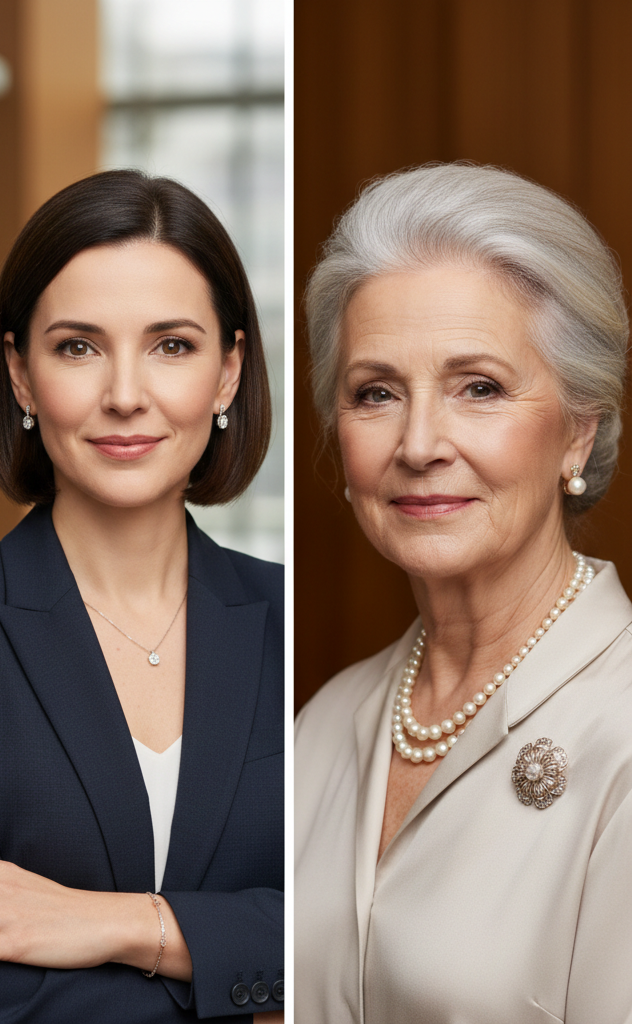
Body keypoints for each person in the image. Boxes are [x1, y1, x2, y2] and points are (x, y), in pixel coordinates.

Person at [295, 162, 632, 1023]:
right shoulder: (326, 720)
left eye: (478, 388)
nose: (418, 443)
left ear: (578, 432)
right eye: (376, 394)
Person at [0, 169, 284, 1022]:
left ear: (229, 371)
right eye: (78, 347)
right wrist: (224, 955)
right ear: (21, 375)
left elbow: (349, 927)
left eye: (172, 345)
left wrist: (121, 926)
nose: (126, 395)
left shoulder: (293, 622)